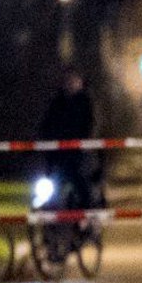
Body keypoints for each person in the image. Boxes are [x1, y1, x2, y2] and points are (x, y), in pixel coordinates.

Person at [38, 69, 98, 208]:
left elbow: (92, 124)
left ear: (81, 83)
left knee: (80, 181)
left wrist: (84, 141)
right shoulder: (57, 102)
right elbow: (47, 123)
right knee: (49, 184)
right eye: (67, 81)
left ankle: (85, 214)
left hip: (78, 154)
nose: (70, 84)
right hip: (57, 154)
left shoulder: (86, 102)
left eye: (74, 80)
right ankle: (48, 211)